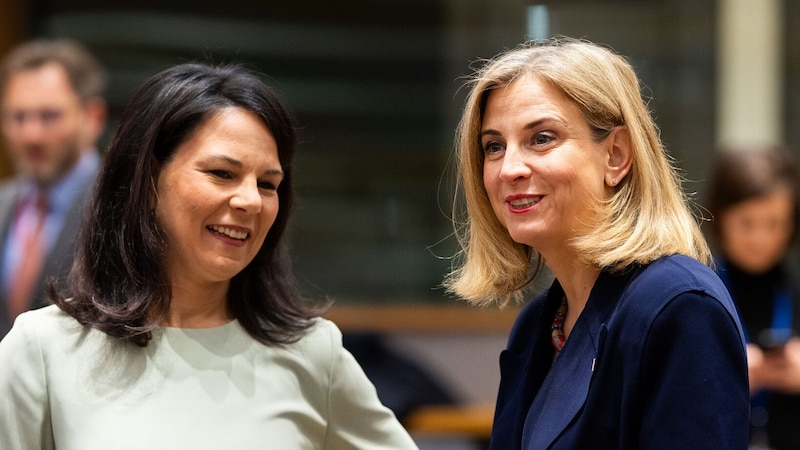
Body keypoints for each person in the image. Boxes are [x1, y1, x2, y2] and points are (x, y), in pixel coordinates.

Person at [0, 62, 418, 449]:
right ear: (147, 183)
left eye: (269, 184)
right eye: (222, 174)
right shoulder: (43, 348)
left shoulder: (312, 352)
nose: (251, 201)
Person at [443, 37, 750, 449]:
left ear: (617, 155)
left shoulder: (680, 307)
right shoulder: (536, 326)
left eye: (542, 138)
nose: (509, 168)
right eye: (494, 146)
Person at [0, 39, 106, 337]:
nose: (31, 134)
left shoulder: (120, 208)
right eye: (18, 117)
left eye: (49, 116)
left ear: (92, 118)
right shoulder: (3, 203)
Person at [706, 145, 800, 450]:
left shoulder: (795, 292)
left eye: (774, 223)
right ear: (721, 218)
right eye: (747, 223)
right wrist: (729, 373)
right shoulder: (698, 295)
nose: (761, 238)